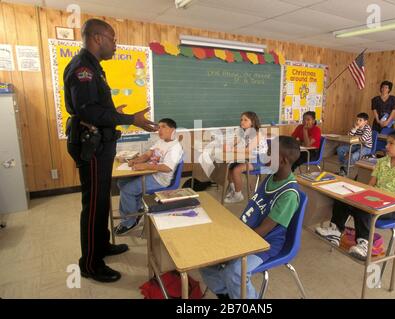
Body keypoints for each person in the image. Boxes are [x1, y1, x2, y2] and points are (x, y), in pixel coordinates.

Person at [64, 19, 156, 283]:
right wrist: (129, 119)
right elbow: (88, 111)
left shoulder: (94, 68)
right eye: (112, 39)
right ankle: (90, 263)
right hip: (92, 146)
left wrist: (115, 114)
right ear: (96, 38)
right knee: (93, 204)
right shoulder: (83, 69)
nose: (115, 44)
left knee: (102, 200)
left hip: (100, 143)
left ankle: (101, 245)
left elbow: (95, 108)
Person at [200, 136, 301, 299]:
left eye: (269, 153)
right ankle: (226, 294)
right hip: (245, 232)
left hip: (265, 244)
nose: (264, 155)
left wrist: (236, 244)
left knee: (235, 272)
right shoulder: (270, 177)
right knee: (206, 258)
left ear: (281, 160)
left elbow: (265, 229)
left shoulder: (288, 194)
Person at [315, 130, 395, 260]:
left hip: (393, 208)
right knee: (344, 198)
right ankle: (335, 231)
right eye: (387, 143)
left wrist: (371, 200)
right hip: (373, 199)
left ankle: (364, 244)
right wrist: (360, 195)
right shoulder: (382, 162)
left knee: (364, 208)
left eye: (391, 143)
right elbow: (370, 187)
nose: (386, 146)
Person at [115, 118, 183, 235]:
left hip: (160, 179)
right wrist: (136, 160)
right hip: (151, 173)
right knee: (121, 182)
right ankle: (136, 210)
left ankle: (129, 222)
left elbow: (167, 167)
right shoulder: (161, 141)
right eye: (158, 126)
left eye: (163, 127)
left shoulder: (175, 147)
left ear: (172, 130)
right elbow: (148, 154)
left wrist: (145, 166)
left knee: (127, 190)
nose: (159, 129)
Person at [224, 111, 268, 204]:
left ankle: (238, 196)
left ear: (252, 122)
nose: (242, 122)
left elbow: (248, 149)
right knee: (229, 167)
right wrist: (227, 145)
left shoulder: (257, 133)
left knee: (236, 170)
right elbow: (235, 142)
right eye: (241, 120)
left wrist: (231, 149)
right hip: (249, 158)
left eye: (245, 120)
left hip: (259, 160)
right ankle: (234, 190)